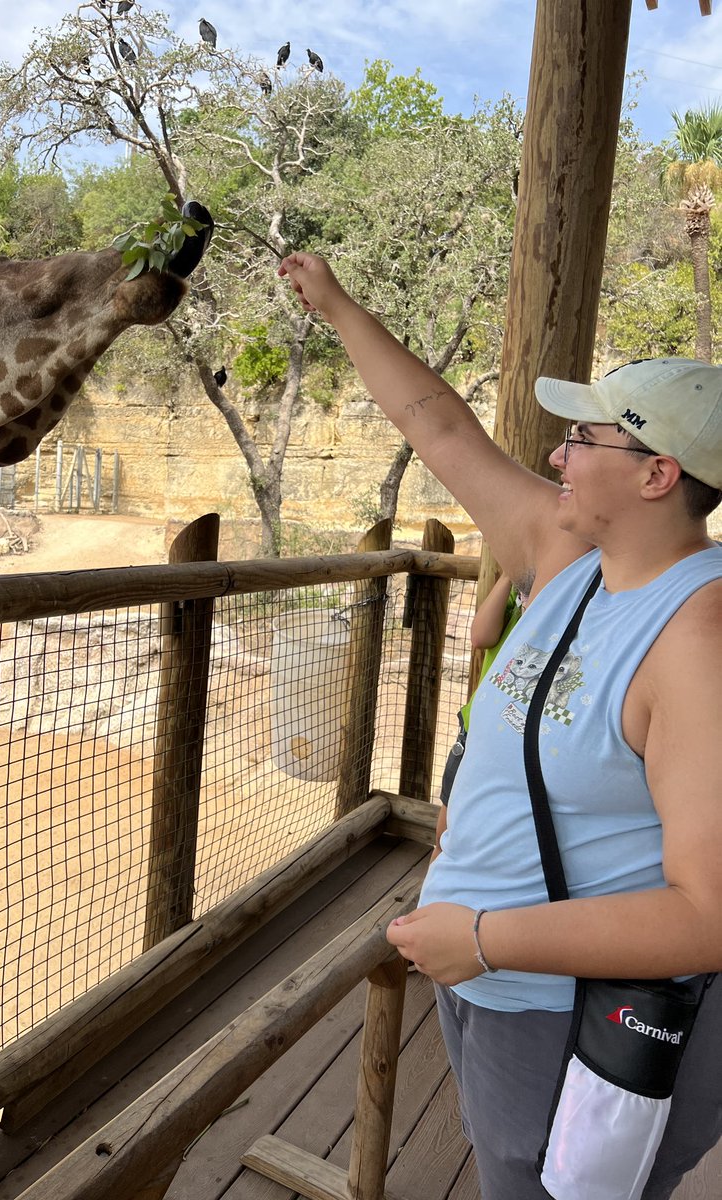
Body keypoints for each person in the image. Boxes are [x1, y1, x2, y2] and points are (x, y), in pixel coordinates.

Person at [277, 251, 722, 1200]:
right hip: (481, 973)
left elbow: (707, 914)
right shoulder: (574, 559)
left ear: (658, 475)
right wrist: (339, 305)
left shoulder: (698, 643)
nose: (556, 455)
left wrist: (483, 940)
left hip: (564, 1004)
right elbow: (434, 424)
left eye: (582, 438)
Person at [440, 572, 527, 806]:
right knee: (447, 825)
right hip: (478, 727)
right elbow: (480, 637)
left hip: (520, 739)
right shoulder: (517, 592)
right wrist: (511, 572)